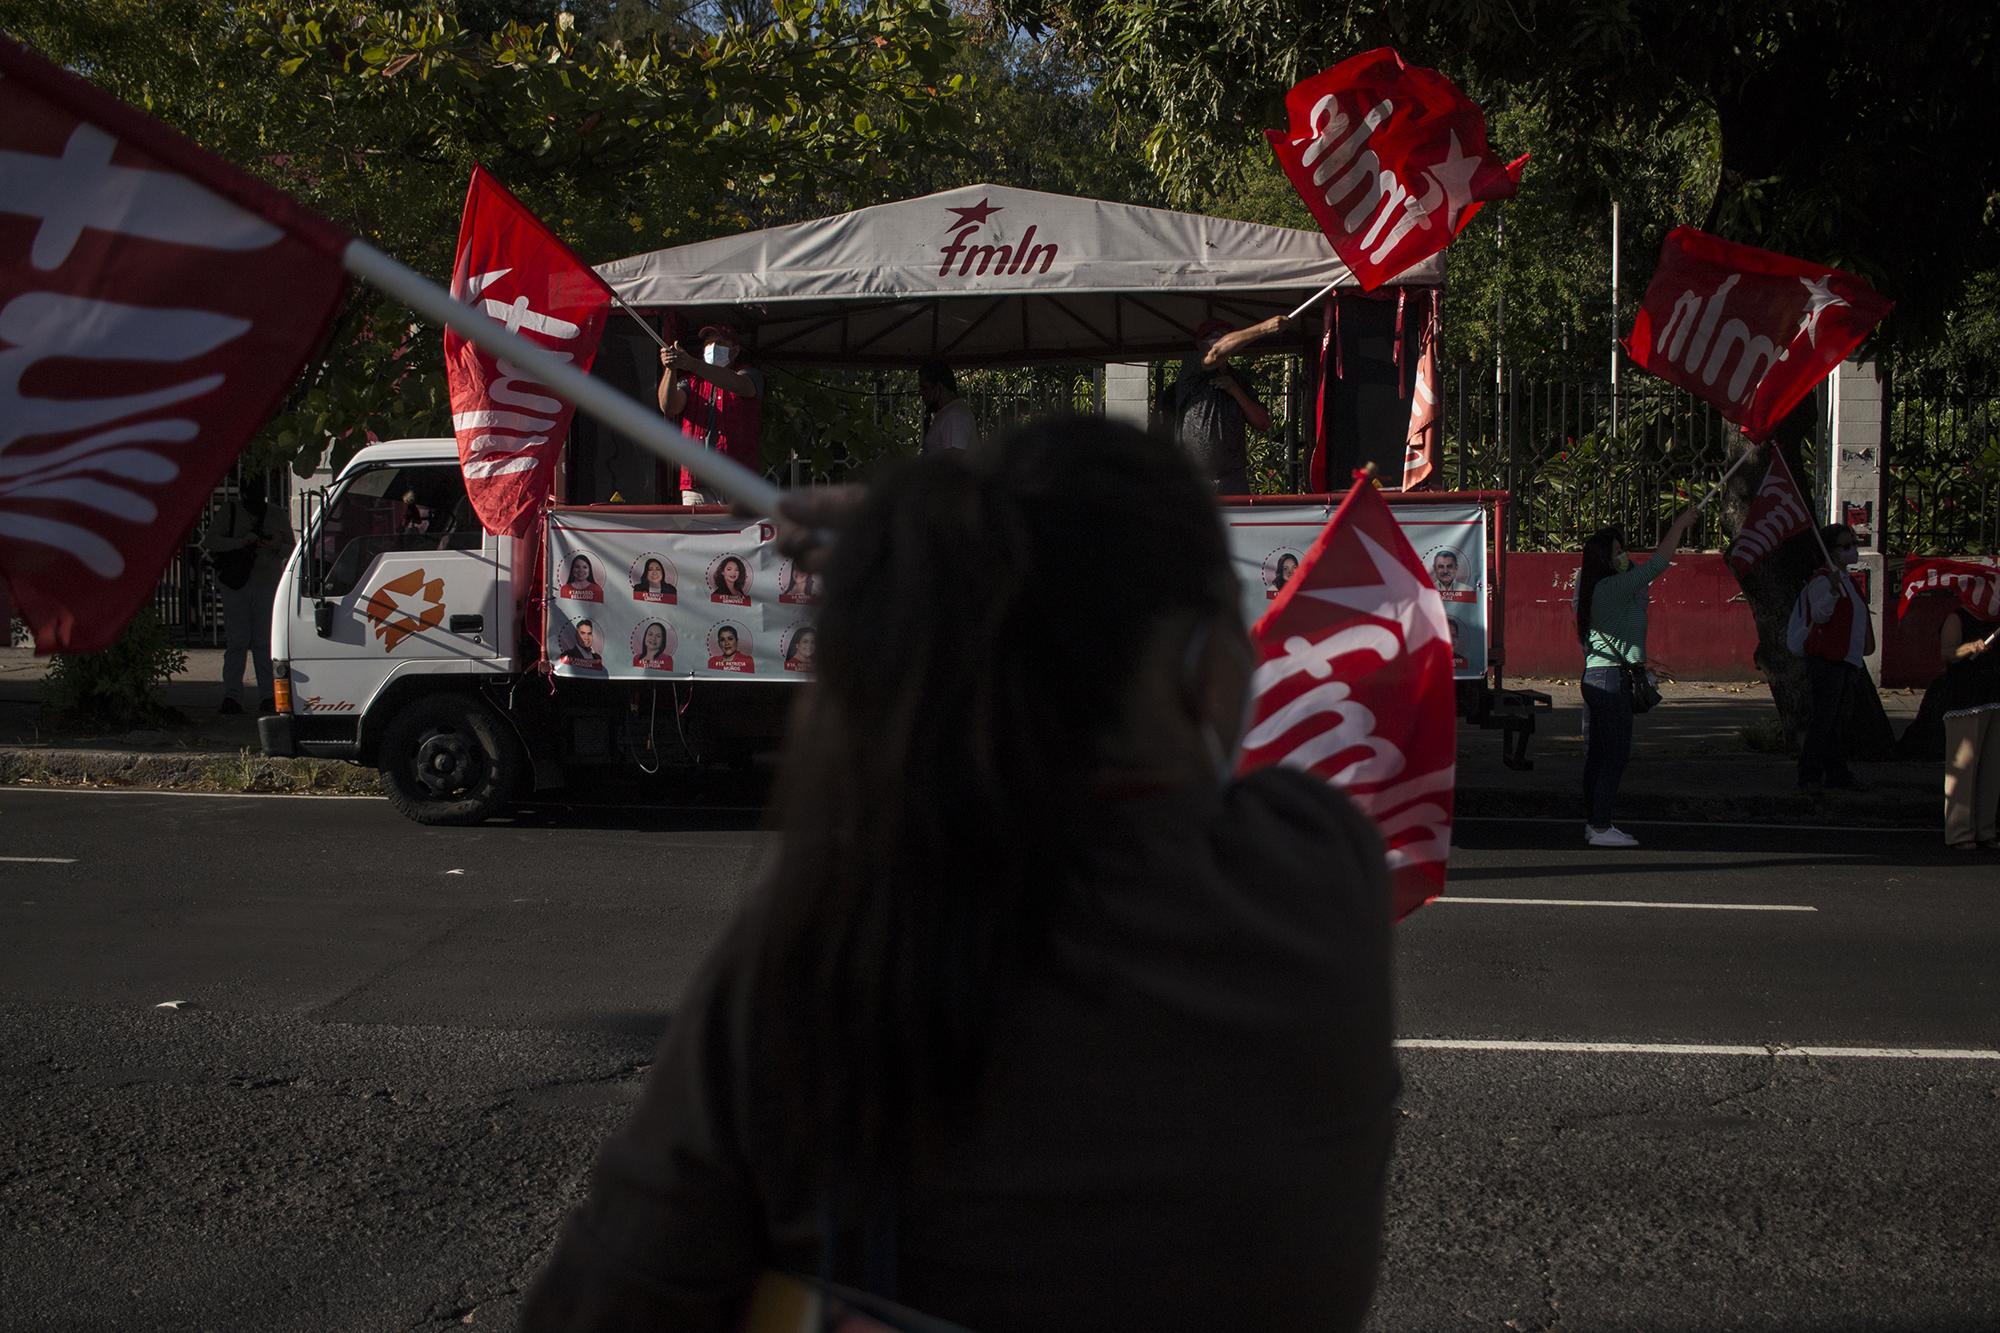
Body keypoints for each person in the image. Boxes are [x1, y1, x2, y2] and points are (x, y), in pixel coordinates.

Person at [521, 418, 1397, 1333]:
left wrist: (931, 573)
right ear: (1200, 666)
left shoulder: (826, 951)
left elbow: (608, 1296)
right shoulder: (1321, 876)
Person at [1575, 507, 1701, 847]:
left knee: (1601, 755)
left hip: (1603, 676)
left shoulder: (1604, 590)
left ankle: (1595, 822)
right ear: (1604, 558)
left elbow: (1614, 639)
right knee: (1614, 755)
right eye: (1618, 551)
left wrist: (1643, 662)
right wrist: (1679, 524)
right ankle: (1600, 827)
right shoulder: (1611, 587)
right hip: (1608, 682)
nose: (1624, 555)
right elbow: (1659, 563)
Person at [1787, 524, 1875, 793]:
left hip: (1845, 659)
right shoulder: (1824, 581)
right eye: (1845, 546)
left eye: (1853, 544)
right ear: (1831, 551)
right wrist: (1833, 592)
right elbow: (1821, 616)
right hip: (1827, 660)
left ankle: (1836, 772)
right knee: (1823, 720)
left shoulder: (1845, 579)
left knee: (1835, 721)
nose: (1852, 551)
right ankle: (1809, 774)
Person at [202, 479, 292, 716]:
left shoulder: (276, 515)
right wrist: (241, 542)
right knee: (237, 641)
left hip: (266, 582)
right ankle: (232, 696)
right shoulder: (229, 511)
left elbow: (292, 549)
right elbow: (210, 541)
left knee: (264, 642)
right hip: (236, 583)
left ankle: (267, 696)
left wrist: (274, 544)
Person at [659, 320, 763, 505]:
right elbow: (669, 406)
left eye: (721, 343)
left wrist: (692, 364)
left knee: (740, 533)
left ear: (735, 351)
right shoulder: (691, 382)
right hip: (697, 483)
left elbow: (743, 387)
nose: (713, 347)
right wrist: (670, 368)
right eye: (708, 343)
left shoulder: (748, 374)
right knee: (699, 533)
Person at [1171, 318, 1271, 495]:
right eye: (1214, 336)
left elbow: (1262, 422)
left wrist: (1235, 390)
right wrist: (1264, 328)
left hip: (1232, 477)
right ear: (1200, 343)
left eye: (1227, 336)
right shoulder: (1192, 367)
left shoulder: (1239, 379)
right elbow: (1215, 354)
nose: (1223, 341)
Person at [1936, 583, 2000, 849]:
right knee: (1963, 769)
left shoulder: (1996, 622)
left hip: (1993, 697)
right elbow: (1948, 653)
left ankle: (1986, 830)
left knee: (1991, 769)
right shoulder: (1957, 617)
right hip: (1965, 699)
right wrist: (1969, 648)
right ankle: (1959, 832)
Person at [918, 359, 976, 454]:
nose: (921, 393)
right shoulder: (949, 413)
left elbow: (954, 461)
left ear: (939, 386)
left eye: (924, 388)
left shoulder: (955, 416)